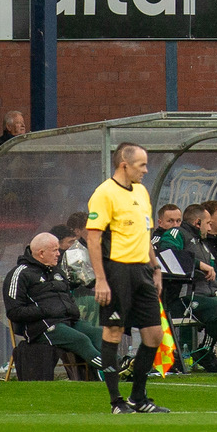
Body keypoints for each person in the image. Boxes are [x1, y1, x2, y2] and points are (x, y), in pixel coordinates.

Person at [84, 142, 169, 414]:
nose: (146, 170)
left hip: (142, 271)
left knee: (154, 336)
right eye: (141, 164)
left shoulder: (142, 192)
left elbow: (145, 236)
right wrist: (101, 279)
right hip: (117, 271)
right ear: (124, 164)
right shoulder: (104, 194)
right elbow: (93, 239)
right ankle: (116, 402)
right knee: (114, 331)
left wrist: (156, 269)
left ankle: (138, 398)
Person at [154, 204, 217, 372]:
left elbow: (213, 269)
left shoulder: (202, 243)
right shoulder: (176, 233)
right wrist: (198, 266)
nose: (210, 227)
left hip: (207, 297)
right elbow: (167, 253)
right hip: (183, 298)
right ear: (197, 223)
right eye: (208, 223)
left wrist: (211, 277)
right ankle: (205, 352)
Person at [4, 232, 105, 372]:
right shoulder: (20, 274)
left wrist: (72, 311)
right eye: (55, 250)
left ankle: (124, 365)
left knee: (98, 334)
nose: (59, 254)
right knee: (82, 340)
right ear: (41, 253)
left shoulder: (57, 272)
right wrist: (46, 311)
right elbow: (14, 312)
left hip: (67, 321)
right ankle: (114, 369)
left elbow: (68, 297)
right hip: (41, 326)